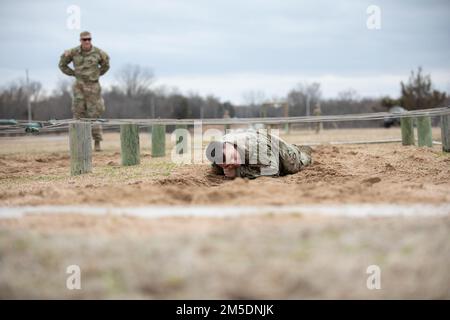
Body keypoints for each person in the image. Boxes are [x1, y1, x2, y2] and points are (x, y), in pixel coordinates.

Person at [59, 31, 110, 151]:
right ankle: (79, 144)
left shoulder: (99, 53)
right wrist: (73, 73)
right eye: (84, 39)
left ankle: (97, 143)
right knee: (78, 114)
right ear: (80, 40)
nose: (87, 41)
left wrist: (96, 74)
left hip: (93, 87)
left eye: (89, 39)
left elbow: (106, 65)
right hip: (79, 87)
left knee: (94, 115)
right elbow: (62, 64)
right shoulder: (73, 52)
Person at [205, 130, 312, 179]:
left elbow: (273, 170)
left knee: (294, 165)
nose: (233, 163)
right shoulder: (218, 155)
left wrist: (238, 172)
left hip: (281, 152)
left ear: (231, 146)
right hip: (259, 150)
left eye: (233, 157)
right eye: (227, 165)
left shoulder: (255, 146)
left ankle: (303, 150)